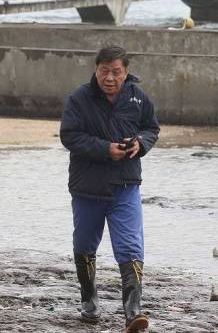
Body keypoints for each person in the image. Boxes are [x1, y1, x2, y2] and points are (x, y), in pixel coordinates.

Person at [59, 46, 160, 332]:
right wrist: (106, 150)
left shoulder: (138, 98)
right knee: (84, 244)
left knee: (130, 246)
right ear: (96, 70)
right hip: (88, 187)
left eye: (116, 72)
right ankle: (89, 301)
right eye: (104, 71)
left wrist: (140, 143)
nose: (110, 77)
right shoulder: (79, 98)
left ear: (126, 72)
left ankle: (133, 312)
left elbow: (152, 129)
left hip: (126, 184)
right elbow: (69, 135)